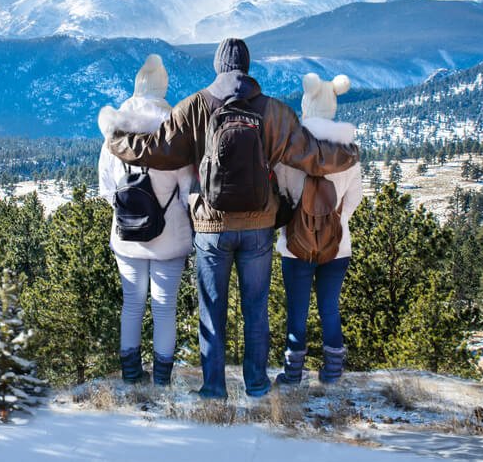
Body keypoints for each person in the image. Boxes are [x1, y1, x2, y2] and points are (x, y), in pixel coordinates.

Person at [105, 38, 359, 399]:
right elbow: (312, 156)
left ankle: (213, 388)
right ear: (248, 67)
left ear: (217, 67)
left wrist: (115, 138)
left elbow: (156, 149)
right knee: (256, 309)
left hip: (211, 225)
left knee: (212, 309)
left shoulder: (194, 106)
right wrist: (348, 153)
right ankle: (256, 384)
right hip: (258, 225)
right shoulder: (274, 111)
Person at [98, 54, 195, 386]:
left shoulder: (115, 134)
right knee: (165, 309)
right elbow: (188, 191)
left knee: (132, 305)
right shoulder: (175, 134)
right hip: (169, 237)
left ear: (136, 89)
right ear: (163, 88)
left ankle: (130, 375)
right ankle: (162, 381)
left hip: (127, 235)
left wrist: (130, 211)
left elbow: (107, 188)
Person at [273, 73, 363, 385]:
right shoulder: (349, 152)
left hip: (294, 244)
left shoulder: (290, 149)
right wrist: (336, 222)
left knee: (297, 311)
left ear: (306, 105)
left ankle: (293, 373)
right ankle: (333, 373)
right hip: (337, 245)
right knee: (329, 309)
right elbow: (354, 198)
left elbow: (280, 192)